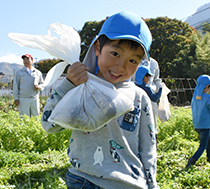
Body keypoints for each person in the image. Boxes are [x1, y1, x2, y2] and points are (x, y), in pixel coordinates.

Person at [41, 11, 159, 189]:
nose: (121, 66)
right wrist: (68, 85)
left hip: (127, 183)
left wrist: (152, 184)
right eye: (115, 53)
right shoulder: (82, 86)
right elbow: (49, 125)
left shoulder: (139, 97)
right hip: (84, 180)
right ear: (97, 47)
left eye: (133, 60)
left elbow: (148, 146)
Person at [186, 74, 210, 168]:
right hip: (205, 125)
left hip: (197, 124)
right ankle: (191, 162)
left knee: (208, 141)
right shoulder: (209, 98)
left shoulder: (195, 97)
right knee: (202, 146)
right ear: (207, 86)